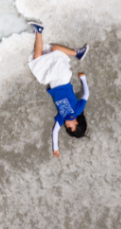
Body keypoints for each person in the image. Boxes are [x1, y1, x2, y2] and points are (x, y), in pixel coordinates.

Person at [27, 22, 89, 158]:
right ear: (77, 123)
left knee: (38, 58)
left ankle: (39, 30)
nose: (67, 126)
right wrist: (83, 79)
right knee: (54, 50)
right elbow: (86, 94)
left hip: (52, 80)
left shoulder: (62, 117)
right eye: (70, 127)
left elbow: (55, 131)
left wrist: (55, 148)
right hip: (62, 77)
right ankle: (77, 53)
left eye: (67, 129)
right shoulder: (77, 110)